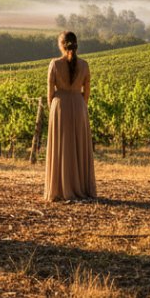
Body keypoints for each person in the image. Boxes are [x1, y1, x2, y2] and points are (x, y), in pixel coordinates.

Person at [44, 30, 96, 201]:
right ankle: (80, 187)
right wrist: (80, 105)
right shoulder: (85, 65)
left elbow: (50, 93)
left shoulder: (54, 64)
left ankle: (60, 188)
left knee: (61, 147)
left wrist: (53, 108)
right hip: (79, 105)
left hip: (60, 107)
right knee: (78, 146)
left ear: (61, 45)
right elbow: (86, 92)